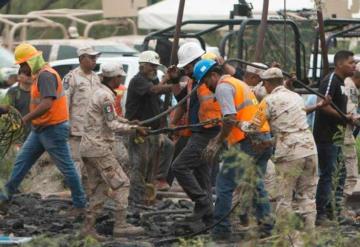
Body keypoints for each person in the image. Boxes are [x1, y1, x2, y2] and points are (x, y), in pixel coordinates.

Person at [0, 43, 86, 213]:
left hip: (53, 129)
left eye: (23, 64)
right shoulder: (39, 75)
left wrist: (24, 120)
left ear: (31, 61)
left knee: (67, 168)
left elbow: (47, 104)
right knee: (21, 164)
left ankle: (80, 205)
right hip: (40, 129)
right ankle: (3, 199)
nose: (22, 68)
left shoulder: (46, 76)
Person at [194, 59, 273, 239]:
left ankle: (221, 230)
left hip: (247, 141)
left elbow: (230, 118)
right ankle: (266, 226)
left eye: (206, 81)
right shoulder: (238, 82)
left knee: (224, 184)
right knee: (255, 184)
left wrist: (216, 142)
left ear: (214, 75)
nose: (207, 86)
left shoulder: (222, 86)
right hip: (263, 137)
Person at [239, 68, 324, 229]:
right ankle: (309, 234)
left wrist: (237, 123)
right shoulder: (296, 97)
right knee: (306, 196)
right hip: (310, 149)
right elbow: (292, 126)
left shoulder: (269, 100)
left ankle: (286, 238)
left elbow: (253, 127)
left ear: (268, 83)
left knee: (284, 198)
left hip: (289, 154)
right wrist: (270, 142)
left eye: (263, 83)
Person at [80, 62, 147, 240]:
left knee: (100, 189)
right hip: (99, 148)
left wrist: (131, 123)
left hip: (88, 148)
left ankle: (88, 229)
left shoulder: (99, 92)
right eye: (120, 77)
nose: (121, 79)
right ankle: (121, 226)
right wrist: (134, 130)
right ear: (115, 77)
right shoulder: (105, 96)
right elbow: (112, 125)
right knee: (122, 183)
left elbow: (113, 118)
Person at [168, 43, 223, 228]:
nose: (187, 71)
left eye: (188, 67)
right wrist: (175, 80)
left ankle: (203, 202)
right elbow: (182, 101)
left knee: (179, 167)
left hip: (209, 131)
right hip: (199, 130)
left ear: (198, 61)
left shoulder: (211, 76)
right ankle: (208, 217)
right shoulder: (195, 80)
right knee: (202, 175)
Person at [125, 50, 175, 207]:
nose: (154, 69)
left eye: (156, 66)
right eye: (151, 66)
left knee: (167, 146)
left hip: (151, 130)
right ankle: (135, 198)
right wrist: (173, 85)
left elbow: (156, 95)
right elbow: (155, 91)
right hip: (139, 128)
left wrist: (167, 79)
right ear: (143, 66)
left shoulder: (152, 80)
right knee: (139, 164)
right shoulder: (138, 81)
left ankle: (157, 181)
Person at [313, 50, 356, 225]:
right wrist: (343, 117)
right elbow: (322, 105)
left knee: (340, 174)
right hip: (326, 136)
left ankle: (335, 212)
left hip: (338, 136)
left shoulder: (343, 83)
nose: (354, 65)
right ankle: (321, 214)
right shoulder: (330, 80)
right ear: (339, 64)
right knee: (328, 174)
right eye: (350, 62)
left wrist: (349, 118)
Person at [63, 45, 101, 179]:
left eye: (95, 57)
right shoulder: (71, 77)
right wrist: (65, 124)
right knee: (76, 161)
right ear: (82, 58)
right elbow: (64, 102)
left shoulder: (96, 77)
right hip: (77, 128)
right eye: (91, 57)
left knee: (91, 162)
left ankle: (89, 193)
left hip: (93, 129)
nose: (94, 60)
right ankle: (75, 192)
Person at [343, 63, 360, 201]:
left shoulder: (352, 87)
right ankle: (341, 207)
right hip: (343, 135)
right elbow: (350, 116)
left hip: (344, 135)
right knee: (350, 174)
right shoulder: (351, 89)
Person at [6, 69, 33, 141]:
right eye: (27, 74)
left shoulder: (38, 91)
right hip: (18, 134)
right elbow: (8, 112)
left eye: (31, 74)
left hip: (35, 133)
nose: (30, 76)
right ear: (19, 77)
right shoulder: (13, 92)